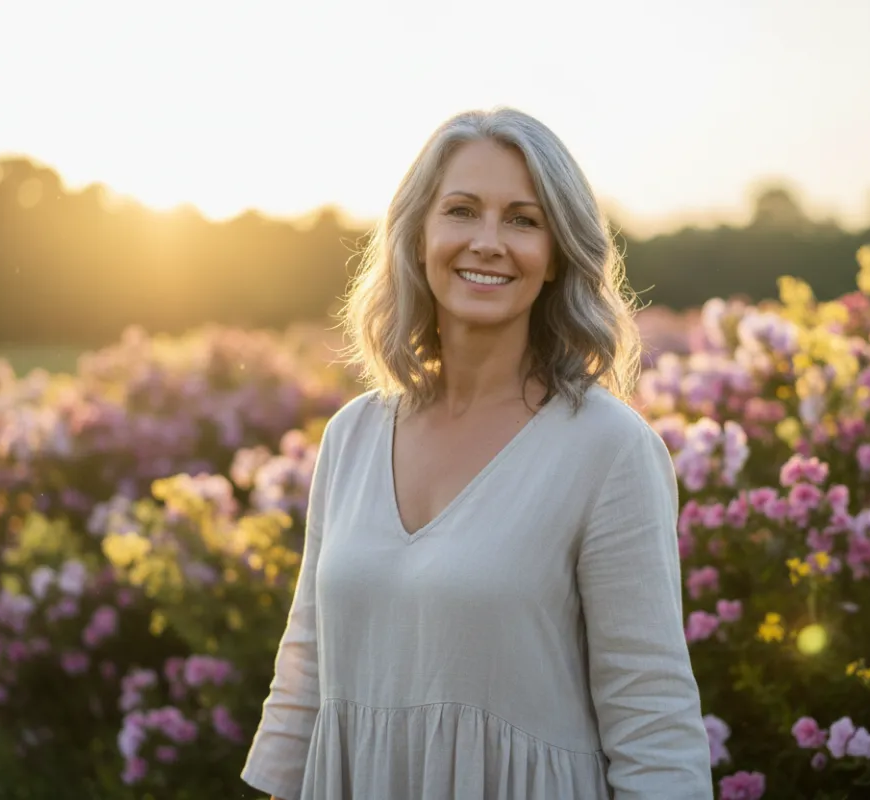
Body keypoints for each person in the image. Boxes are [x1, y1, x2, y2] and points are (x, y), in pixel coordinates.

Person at [241, 107, 713, 799]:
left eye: (523, 220)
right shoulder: (351, 437)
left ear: (556, 255)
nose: (488, 243)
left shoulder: (610, 450)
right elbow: (304, 675)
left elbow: (654, 717)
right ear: (418, 236)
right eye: (461, 211)